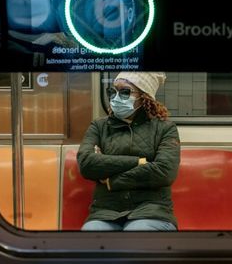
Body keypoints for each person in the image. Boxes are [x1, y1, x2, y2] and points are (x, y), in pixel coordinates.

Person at [77, 72, 180, 231]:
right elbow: (87, 164)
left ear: (144, 97)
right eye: (113, 92)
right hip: (106, 211)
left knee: (135, 234)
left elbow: (164, 171)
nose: (116, 97)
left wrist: (112, 180)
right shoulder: (99, 126)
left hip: (151, 210)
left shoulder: (165, 128)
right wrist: (139, 162)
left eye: (125, 92)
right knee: (91, 235)